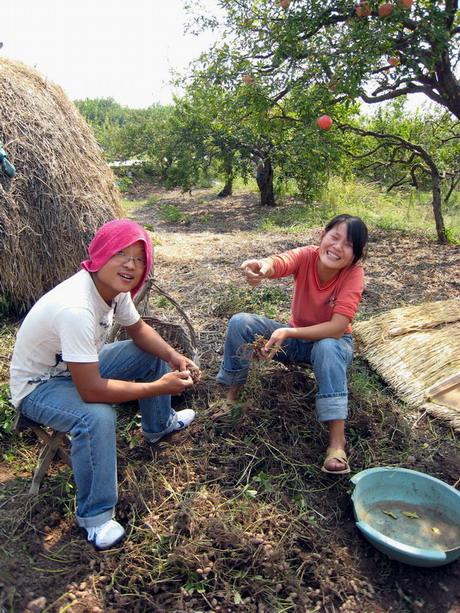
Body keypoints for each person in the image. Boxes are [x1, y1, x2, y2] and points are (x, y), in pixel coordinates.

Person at [9, 220, 199, 550]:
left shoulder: (114, 290)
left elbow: (139, 331)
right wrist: (158, 387)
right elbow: (92, 391)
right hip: (38, 387)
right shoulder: (76, 308)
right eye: (121, 253)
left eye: (140, 258)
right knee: (96, 417)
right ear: (100, 255)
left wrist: (173, 356)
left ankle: (159, 425)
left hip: (76, 367)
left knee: (146, 349)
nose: (131, 265)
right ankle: (96, 518)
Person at [213, 214, 368, 475]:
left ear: (355, 255)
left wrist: (288, 332)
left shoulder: (354, 274)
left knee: (327, 346)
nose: (338, 247)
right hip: (296, 340)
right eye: (335, 237)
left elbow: (337, 327)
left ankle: (337, 443)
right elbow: (280, 262)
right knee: (241, 322)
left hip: (332, 345)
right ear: (322, 235)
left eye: (349, 245)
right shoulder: (307, 256)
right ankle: (231, 398)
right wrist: (261, 266)